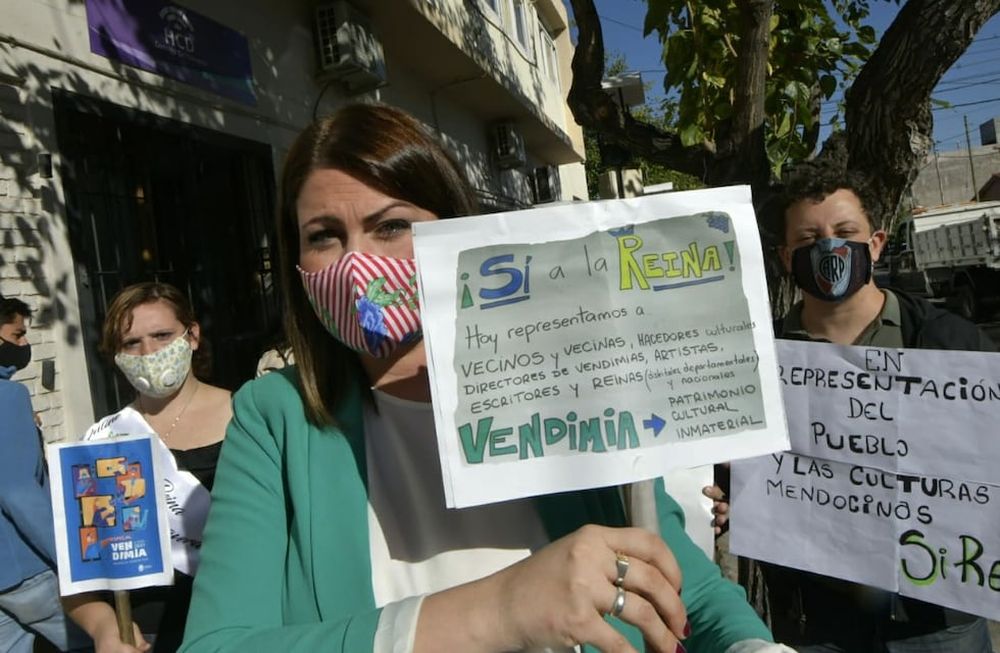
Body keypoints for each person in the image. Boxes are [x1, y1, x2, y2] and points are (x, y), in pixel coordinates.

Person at [179, 103, 790, 653]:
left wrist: (751, 648)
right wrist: (501, 608)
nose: (359, 264)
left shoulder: (573, 380)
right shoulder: (273, 421)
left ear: (456, 230)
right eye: (324, 237)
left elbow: (687, 587)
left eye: (391, 226)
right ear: (297, 263)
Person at [750, 168, 995, 652]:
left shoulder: (953, 345)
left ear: (876, 244)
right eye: (808, 238)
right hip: (819, 619)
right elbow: (740, 471)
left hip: (938, 617)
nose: (829, 248)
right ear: (785, 258)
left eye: (845, 234)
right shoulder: (761, 361)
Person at [64, 283, 233, 653]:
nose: (149, 352)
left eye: (162, 335)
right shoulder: (100, 442)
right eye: (131, 343)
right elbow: (78, 577)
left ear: (192, 336)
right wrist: (105, 629)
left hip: (244, 624)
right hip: (148, 637)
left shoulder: (248, 418)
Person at [0, 296, 92, 653]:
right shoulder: (9, 397)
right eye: (17, 334)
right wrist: (72, 557)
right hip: (28, 568)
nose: (24, 345)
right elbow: (17, 491)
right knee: (104, 639)